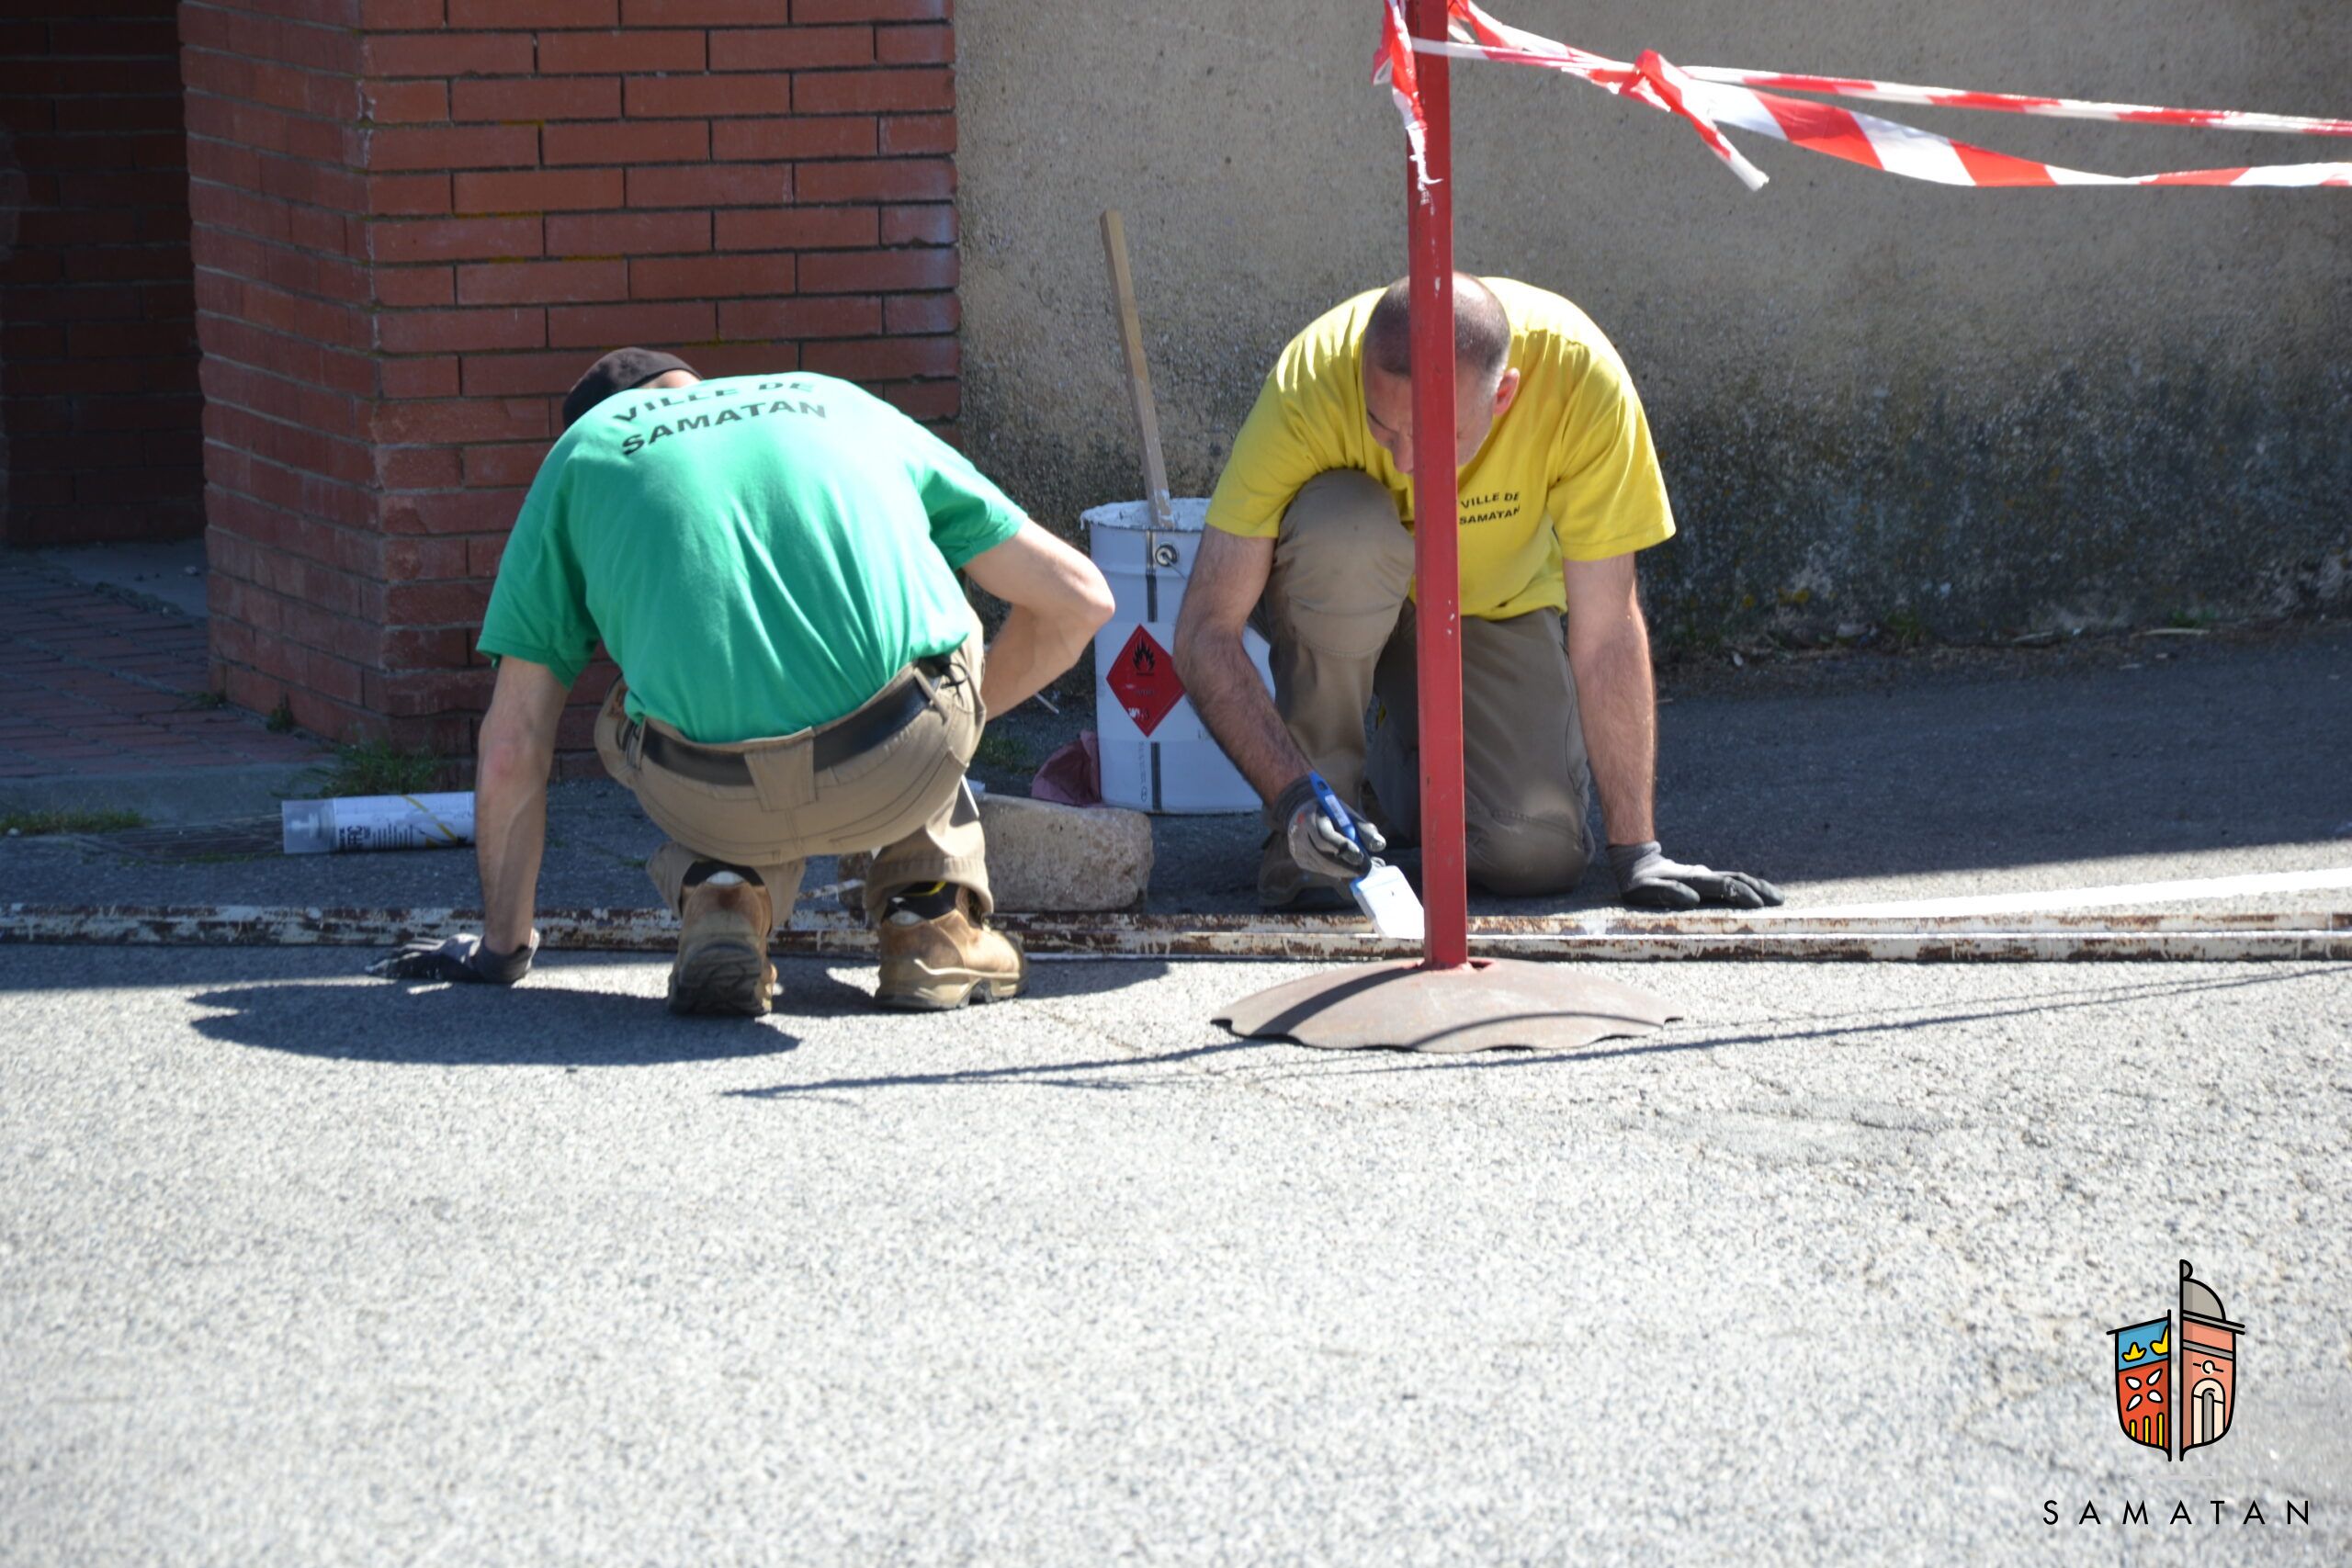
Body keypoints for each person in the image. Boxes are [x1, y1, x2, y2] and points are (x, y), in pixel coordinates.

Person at [374, 348, 1114, 1016]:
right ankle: (931, 924)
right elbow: (1081, 600)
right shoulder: (836, 401)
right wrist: (959, 728)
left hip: (710, 796)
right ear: (698, 387)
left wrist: (501, 950)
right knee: (936, 634)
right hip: (904, 757)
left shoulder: (583, 454)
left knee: (631, 709)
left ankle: (724, 897)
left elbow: (513, 744)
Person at [1172, 275, 1780, 912]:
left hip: (1489, 611)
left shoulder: (1579, 378)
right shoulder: (1312, 379)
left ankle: (1393, 770)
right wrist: (1291, 791)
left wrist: (1638, 851)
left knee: (1534, 852)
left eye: (1438, 437)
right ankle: (1319, 818)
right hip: (1338, 598)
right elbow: (1204, 629)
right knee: (1346, 529)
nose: (1406, 463)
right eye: (1382, 428)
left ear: (1505, 394)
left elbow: (1606, 630)